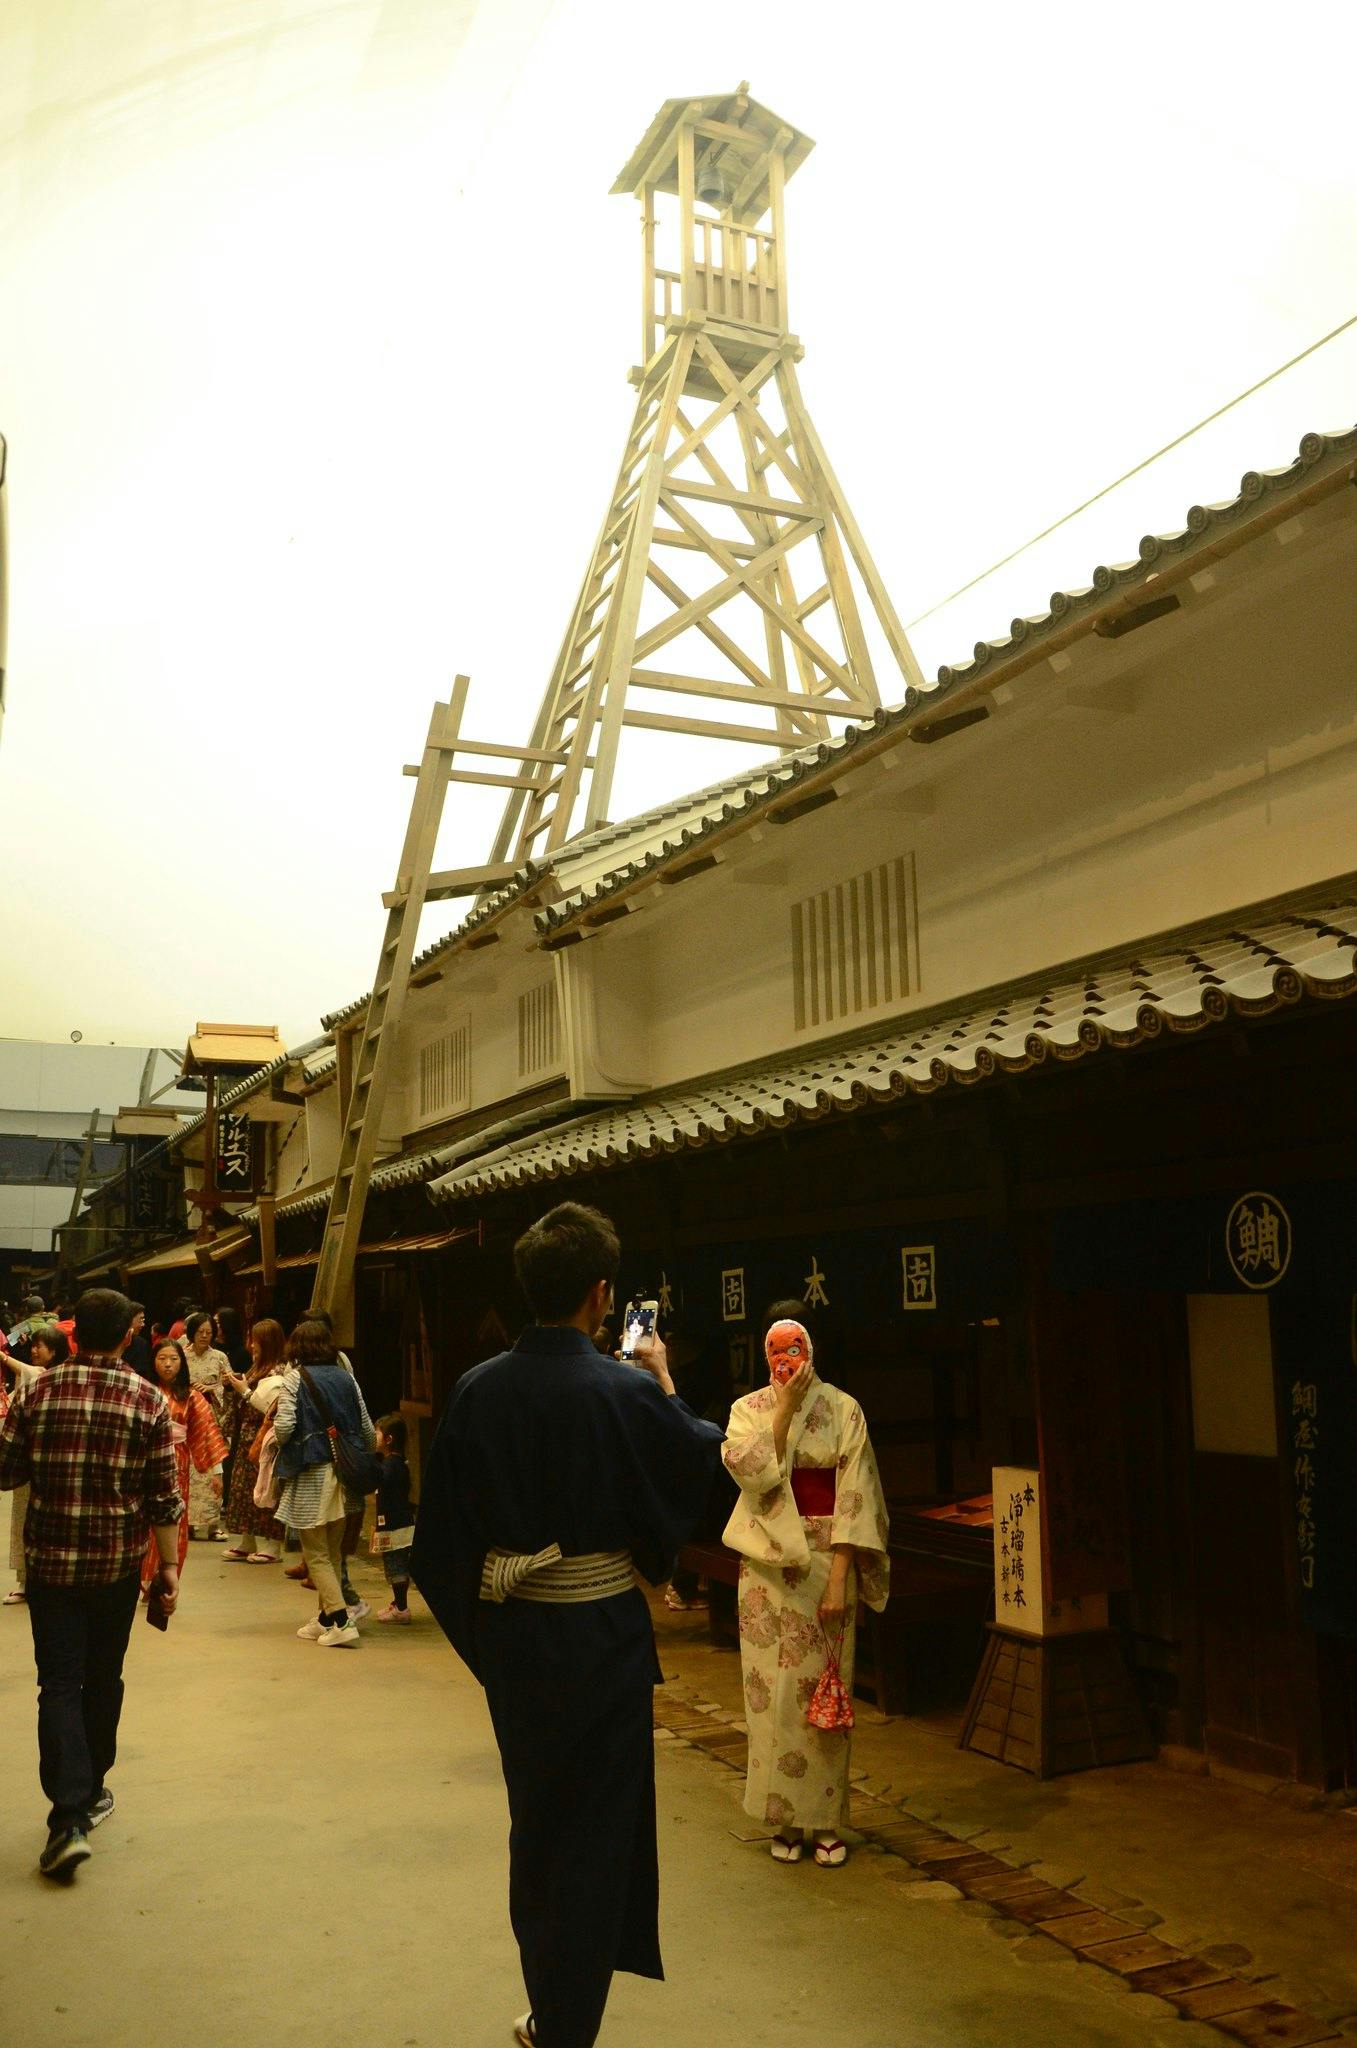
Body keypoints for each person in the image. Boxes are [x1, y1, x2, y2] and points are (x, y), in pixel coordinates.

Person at [413, 1201, 725, 2048]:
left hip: (519, 1643)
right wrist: (659, 1376)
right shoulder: (623, 1389)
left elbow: (439, 1548)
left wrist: (491, 1645)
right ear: (601, 1294)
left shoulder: (477, 1390)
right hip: (605, 1645)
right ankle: (566, 2027)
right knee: (599, 1836)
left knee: (539, 1826)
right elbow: (699, 1462)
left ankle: (553, 2007)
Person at [0, 1288, 183, 1880]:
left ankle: (69, 1815)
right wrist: (169, 1569)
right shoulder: (149, 1401)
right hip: (115, 1567)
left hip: (51, 1568)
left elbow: (6, 1471)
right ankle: (88, 1793)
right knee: (104, 1677)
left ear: (73, 1335)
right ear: (129, 1336)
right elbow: (162, 1496)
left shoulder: (38, 1393)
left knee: (58, 1682)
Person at [722, 1304, 890, 1870]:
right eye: (776, 1350)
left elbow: (855, 1498)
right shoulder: (748, 1410)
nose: (785, 1360)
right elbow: (748, 1471)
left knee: (825, 1697)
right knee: (771, 1701)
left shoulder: (844, 1409)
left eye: (794, 1348)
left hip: (824, 1568)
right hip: (766, 1574)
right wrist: (785, 1410)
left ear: (811, 1350)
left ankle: (824, 1820)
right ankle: (784, 1819)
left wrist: (840, 1578)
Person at [271, 1318, 377, 1648]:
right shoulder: (347, 1378)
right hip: (344, 1476)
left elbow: (285, 1428)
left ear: (297, 1348)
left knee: (314, 1552)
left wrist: (274, 1440)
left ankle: (343, 1621)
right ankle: (325, 1619)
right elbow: (368, 1431)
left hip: (311, 1475)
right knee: (331, 1553)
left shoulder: (293, 1379)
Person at [136, 1340, 227, 1597]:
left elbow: (207, 1434)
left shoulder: (191, 1396)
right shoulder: (143, 1391)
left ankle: (163, 1578)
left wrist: (217, 1472)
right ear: (153, 1361)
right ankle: (138, 1577)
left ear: (182, 1363)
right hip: (143, 1463)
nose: (167, 1364)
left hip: (177, 1464)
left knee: (172, 1521)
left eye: (173, 1359)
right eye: (162, 1358)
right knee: (141, 1520)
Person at [4, 1326, 69, 1605]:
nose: (34, 1350)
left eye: (40, 1347)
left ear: (53, 1352)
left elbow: (26, 1370)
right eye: (34, 1346)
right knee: (21, 1520)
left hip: (50, 1462)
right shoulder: (34, 1377)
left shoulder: (45, 1376)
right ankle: (24, 1581)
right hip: (29, 1461)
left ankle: (44, 1581)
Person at [219, 1317, 287, 1562]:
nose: (251, 1345)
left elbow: (272, 1406)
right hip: (247, 1435)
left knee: (266, 1489)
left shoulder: (279, 1370)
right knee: (244, 1488)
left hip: (264, 1436)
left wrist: (244, 1391)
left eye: (255, 1340)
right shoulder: (257, 1365)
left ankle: (272, 1545)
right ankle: (247, 1540)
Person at [181, 1311, 229, 1540]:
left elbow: (228, 1385)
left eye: (209, 1332)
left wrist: (213, 1388)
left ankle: (213, 1524)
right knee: (189, 1469)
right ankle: (188, 1522)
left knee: (212, 1469)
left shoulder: (219, 1357)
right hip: (187, 1417)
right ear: (192, 1333)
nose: (205, 1336)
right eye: (200, 1332)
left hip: (211, 1418)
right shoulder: (181, 1356)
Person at [371, 1412, 416, 1623]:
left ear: (388, 1439)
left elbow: (383, 1484)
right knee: (397, 1563)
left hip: (393, 1524)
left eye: (377, 1434)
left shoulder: (390, 1465)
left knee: (396, 1565)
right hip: (400, 1521)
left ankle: (402, 1608)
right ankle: (398, 1603)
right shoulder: (400, 1463)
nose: (373, 1438)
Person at [122, 1304, 151, 1379]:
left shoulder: (141, 1344)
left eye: (143, 1320)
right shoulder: (112, 1340)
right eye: (140, 1320)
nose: (143, 1324)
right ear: (129, 1319)